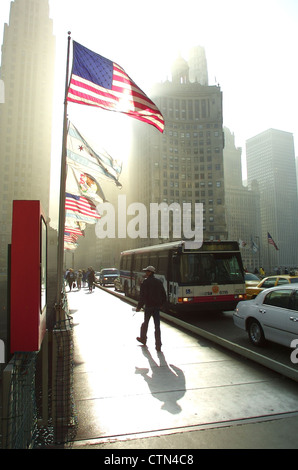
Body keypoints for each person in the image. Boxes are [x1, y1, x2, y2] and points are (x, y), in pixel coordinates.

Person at [136, 266, 166, 351]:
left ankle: (143, 339)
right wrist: (162, 305)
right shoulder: (159, 282)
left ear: (150, 272)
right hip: (156, 307)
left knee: (145, 323)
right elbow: (164, 295)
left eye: (146, 272)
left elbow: (142, 296)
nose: (145, 273)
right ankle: (158, 345)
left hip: (148, 306)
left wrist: (138, 307)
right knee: (157, 326)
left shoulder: (145, 282)